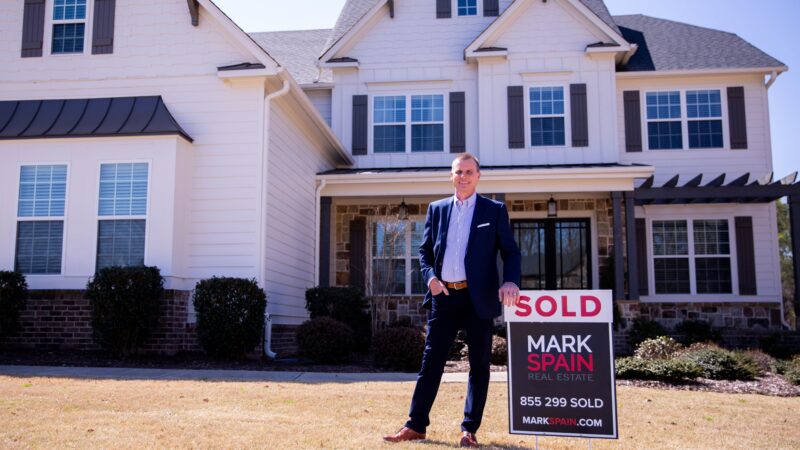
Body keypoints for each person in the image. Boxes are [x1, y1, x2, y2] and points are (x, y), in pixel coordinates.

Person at [383, 153, 521, 448]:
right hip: (443, 296)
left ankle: (469, 430)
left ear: (478, 176)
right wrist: (431, 278)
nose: (464, 177)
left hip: (477, 298)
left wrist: (510, 281)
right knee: (431, 361)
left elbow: (510, 251)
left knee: (479, 365)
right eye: (459, 172)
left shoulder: (494, 210)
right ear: (451, 176)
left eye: (469, 172)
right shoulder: (437, 209)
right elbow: (424, 252)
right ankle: (415, 425)